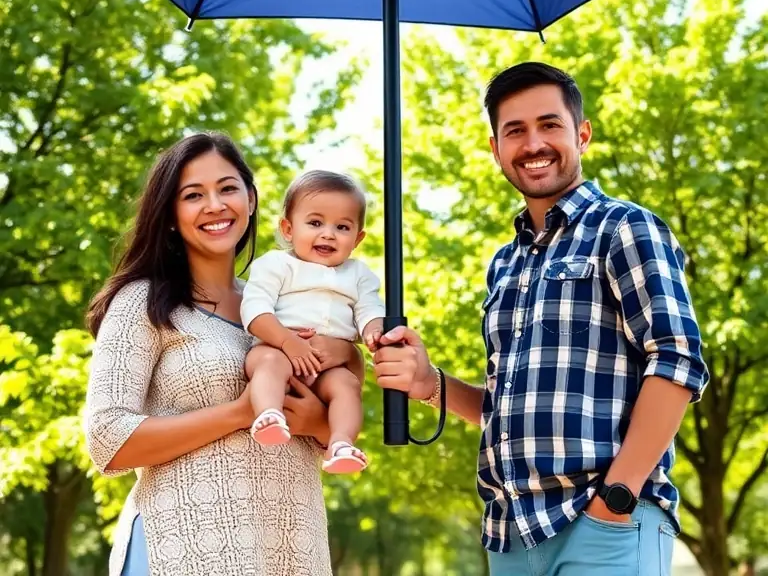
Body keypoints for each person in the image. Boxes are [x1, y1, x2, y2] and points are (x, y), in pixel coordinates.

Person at [374, 62, 709, 576]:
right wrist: (429, 384)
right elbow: (510, 410)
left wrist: (616, 500)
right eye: (515, 130)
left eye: (549, 125)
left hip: (602, 526)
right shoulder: (505, 264)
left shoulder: (623, 228)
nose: (533, 144)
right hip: (509, 536)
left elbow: (677, 359)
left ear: (582, 133)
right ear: (495, 149)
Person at [84, 132, 361, 576]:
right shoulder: (145, 302)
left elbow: (334, 424)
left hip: (288, 549)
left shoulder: (281, 309)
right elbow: (106, 440)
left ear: (250, 200)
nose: (215, 205)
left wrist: (331, 395)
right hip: (183, 548)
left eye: (227, 188)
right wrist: (238, 413)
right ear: (172, 215)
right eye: (193, 195)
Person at [241, 170, 384, 474]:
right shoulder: (276, 265)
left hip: (326, 368)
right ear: (288, 229)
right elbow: (254, 310)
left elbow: (369, 310)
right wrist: (287, 341)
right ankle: (269, 413)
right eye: (315, 223)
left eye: (342, 227)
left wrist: (373, 330)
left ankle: (341, 443)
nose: (328, 234)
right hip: (278, 349)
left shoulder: (359, 275)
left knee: (346, 385)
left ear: (358, 238)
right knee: (267, 363)